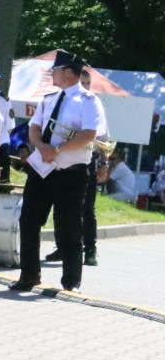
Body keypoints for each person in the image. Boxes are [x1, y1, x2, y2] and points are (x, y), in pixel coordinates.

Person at [11, 51, 106, 293]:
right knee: (29, 221)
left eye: (55, 69)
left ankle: (71, 281)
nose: (51, 73)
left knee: (70, 225)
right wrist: (43, 147)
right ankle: (29, 275)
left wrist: (59, 148)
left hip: (71, 172)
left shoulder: (88, 100)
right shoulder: (49, 98)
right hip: (42, 169)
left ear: (66, 72)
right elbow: (34, 128)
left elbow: (89, 134)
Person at [46, 68, 108, 267]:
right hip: (64, 160)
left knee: (87, 208)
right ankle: (61, 246)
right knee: (60, 205)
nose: (85, 87)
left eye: (88, 84)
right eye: (82, 83)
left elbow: (104, 138)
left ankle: (90, 249)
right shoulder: (65, 102)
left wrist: (104, 165)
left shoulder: (93, 103)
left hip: (87, 160)